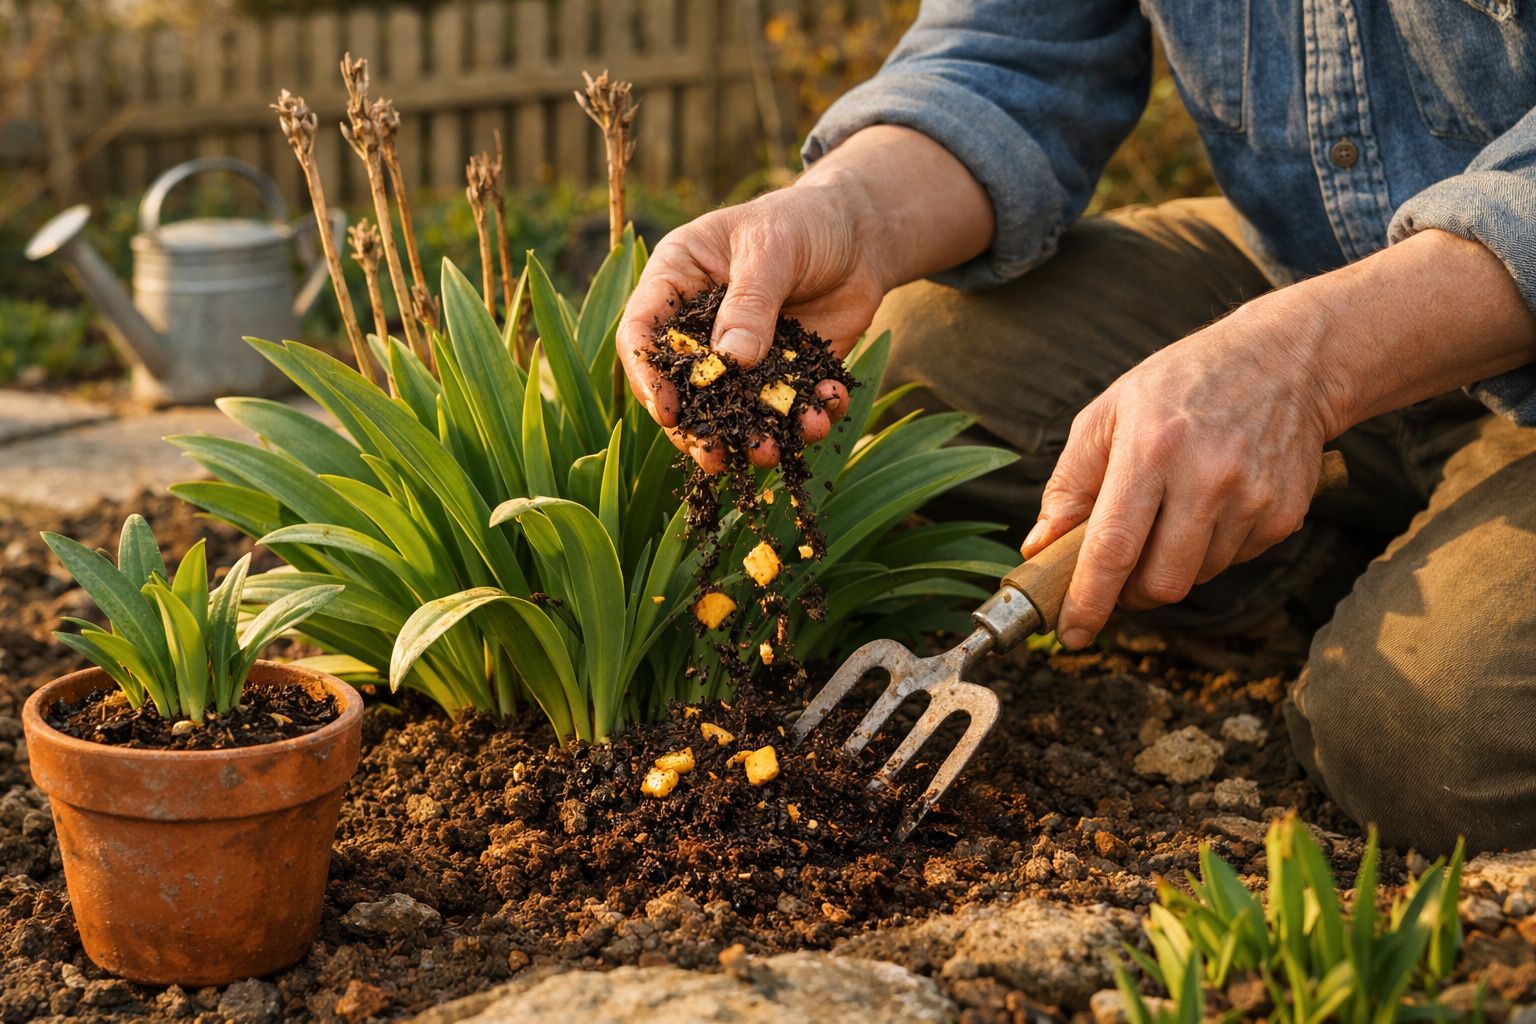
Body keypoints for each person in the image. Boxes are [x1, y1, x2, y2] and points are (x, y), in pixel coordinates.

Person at [616, 1, 1536, 855]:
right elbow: (1013, 47)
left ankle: (1404, 583)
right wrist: (848, 210)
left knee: (1427, 734)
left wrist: (1308, 361)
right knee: (912, 357)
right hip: (1316, 264)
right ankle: (1364, 547)